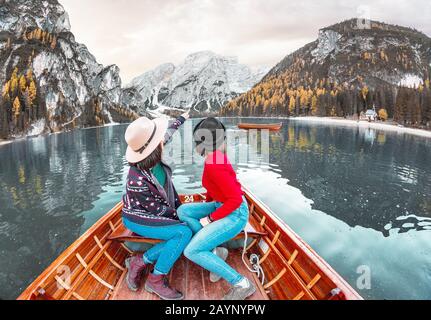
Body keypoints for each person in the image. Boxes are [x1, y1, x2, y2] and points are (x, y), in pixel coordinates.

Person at [178, 117, 256, 300]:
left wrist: (210, 219)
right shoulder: (214, 158)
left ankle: (242, 284)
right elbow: (215, 187)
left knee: (191, 251)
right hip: (221, 204)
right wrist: (208, 205)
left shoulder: (214, 162)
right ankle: (215, 251)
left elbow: (235, 200)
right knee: (183, 211)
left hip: (235, 213)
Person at [122, 111, 192, 300]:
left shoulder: (151, 153)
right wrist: (181, 216)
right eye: (159, 139)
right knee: (183, 233)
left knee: (185, 228)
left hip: (158, 210)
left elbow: (169, 130)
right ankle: (155, 279)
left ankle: (139, 261)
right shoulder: (135, 181)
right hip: (138, 218)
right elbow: (159, 210)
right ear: (153, 148)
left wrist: (182, 118)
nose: (163, 139)